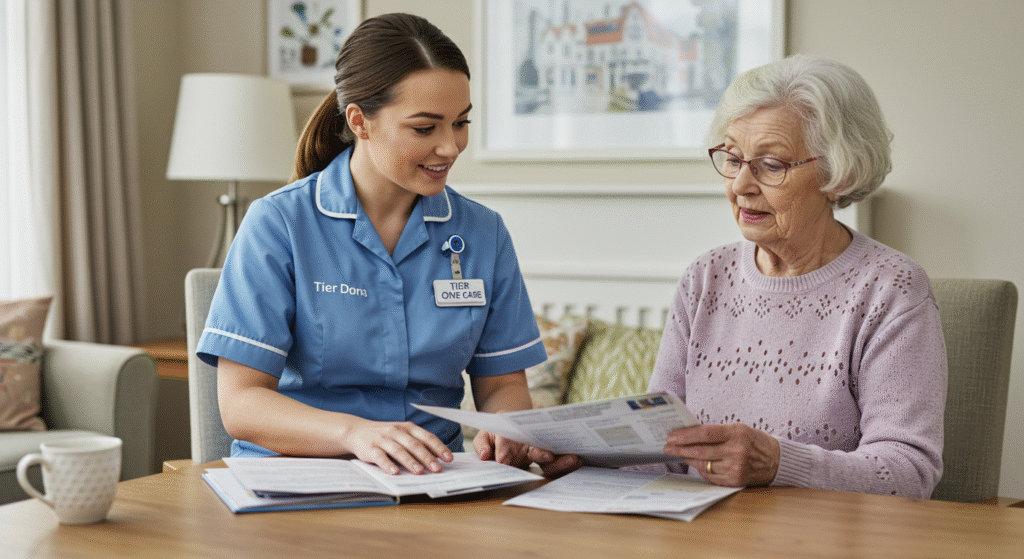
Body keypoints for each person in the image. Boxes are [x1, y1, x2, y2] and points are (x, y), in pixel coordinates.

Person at [196, 13, 573, 476]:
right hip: (299, 477)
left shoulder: (483, 233)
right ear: (359, 121)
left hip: (434, 480)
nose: (451, 147)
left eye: (461, 123)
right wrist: (354, 434)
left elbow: (502, 387)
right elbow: (241, 404)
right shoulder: (279, 223)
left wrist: (507, 426)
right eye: (425, 128)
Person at [646, 54, 947, 498]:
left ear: (837, 175)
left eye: (771, 165)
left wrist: (778, 463)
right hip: (698, 535)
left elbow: (908, 472)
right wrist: (572, 453)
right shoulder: (704, 278)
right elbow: (659, 444)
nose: (740, 185)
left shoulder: (891, 289)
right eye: (733, 158)